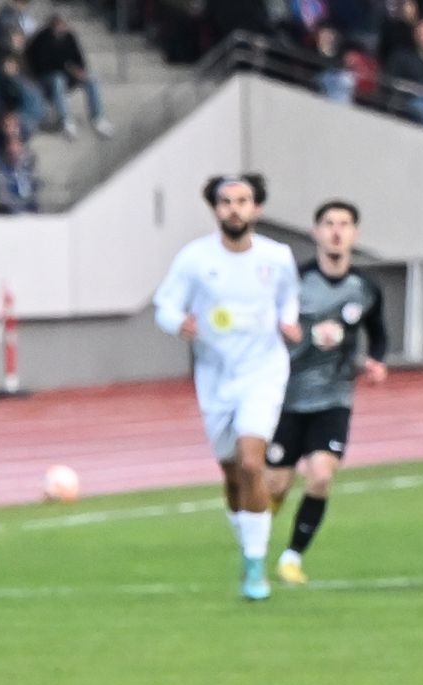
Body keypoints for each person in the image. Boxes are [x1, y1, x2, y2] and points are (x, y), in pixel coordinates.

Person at [152, 174, 301, 601]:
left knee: (252, 464)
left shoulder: (277, 257)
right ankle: (249, 542)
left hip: (263, 371)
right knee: (233, 474)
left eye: (242, 201)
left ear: (257, 208)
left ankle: (255, 567)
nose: (234, 209)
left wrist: (289, 322)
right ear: (215, 209)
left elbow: (288, 299)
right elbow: (165, 304)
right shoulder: (195, 259)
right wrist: (177, 322)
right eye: (226, 202)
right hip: (215, 376)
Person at [265, 200, 389, 585]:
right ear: (316, 232)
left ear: (355, 233)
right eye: (329, 223)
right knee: (275, 486)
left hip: (334, 398)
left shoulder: (365, 288)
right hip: (288, 397)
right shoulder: (296, 281)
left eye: (345, 224)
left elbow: (378, 333)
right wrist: (284, 332)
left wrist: (376, 362)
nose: (337, 231)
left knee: (320, 476)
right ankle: (254, 545)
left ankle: (291, 559)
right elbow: (268, 323)